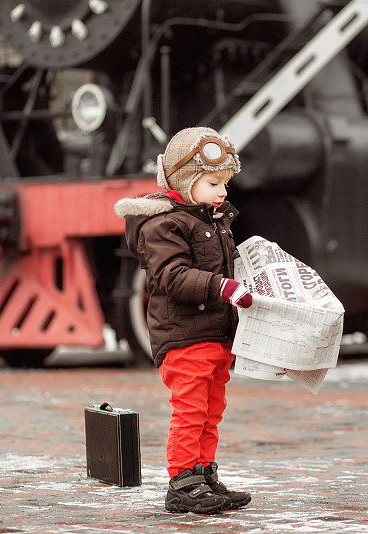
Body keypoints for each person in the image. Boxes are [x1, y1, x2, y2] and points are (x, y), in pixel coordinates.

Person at [114, 126, 253, 514]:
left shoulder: (212, 219)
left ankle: (204, 473)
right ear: (185, 181)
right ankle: (182, 480)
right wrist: (222, 287)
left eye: (225, 183)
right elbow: (172, 277)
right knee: (190, 409)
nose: (222, 191)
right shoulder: (164, 224)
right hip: (184, 336)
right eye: (213, 182)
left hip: (215, 334)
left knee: (212, 408)